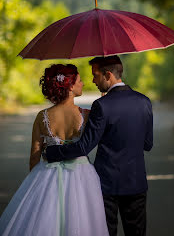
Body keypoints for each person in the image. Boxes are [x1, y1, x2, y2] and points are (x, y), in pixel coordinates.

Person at [46, 55, 153, 236]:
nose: (93, 81)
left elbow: (83, 147)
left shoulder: (102, 106)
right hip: (136, 182)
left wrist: (52, 152)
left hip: (106, 184)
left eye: (95, 75)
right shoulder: (144, 101)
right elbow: (147, 144)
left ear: (107, 75)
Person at [0, 64, 109, 236]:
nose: (83, 84)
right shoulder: (87, 115)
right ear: (71, 86)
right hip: (82, 175)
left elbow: (34, 155)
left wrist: (34, 185)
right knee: (83, 221)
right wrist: (105, 101)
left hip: (46, 175)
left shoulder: (42, 117)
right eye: (80, 80)